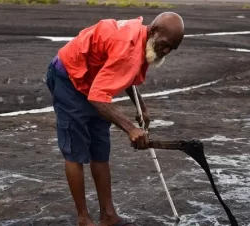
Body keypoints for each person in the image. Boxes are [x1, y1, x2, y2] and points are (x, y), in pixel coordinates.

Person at [45, 12, 184, 226]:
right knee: (75, 151)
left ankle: (108, 216)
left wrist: (142, 108)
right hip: (69, 79)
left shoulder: (140, 36)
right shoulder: (127, 48)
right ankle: (83, 218)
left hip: (95, 83)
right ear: (154, 31)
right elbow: (100, 96)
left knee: (100, 150)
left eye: (171, 49)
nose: (165, 51)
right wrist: (131, 128)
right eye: (164, 44)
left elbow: (125, 74)